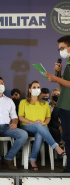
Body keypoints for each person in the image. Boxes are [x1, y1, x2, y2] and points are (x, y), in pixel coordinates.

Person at [18, 80, 65, 171]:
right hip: (27, 127)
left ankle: (32, 160)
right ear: (30, 90)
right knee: (38, 126)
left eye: (38, 87)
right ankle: (56, 147)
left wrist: (44, 123)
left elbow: (48, 118)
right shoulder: (23, 102)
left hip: (42, 127)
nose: (36, 89)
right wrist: (33, 122)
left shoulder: (45, 104)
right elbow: (20, 117)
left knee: (40, 133)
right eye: (34, 87)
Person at [45, 35, 70, 172]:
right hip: (65, 106)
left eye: (63, 48)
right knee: (66, 137)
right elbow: (63, 88)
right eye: (59, 49)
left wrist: (56, 78)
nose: (61, 51)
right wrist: (58, 75)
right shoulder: (68, 64)